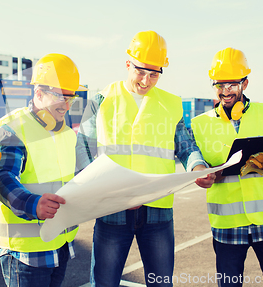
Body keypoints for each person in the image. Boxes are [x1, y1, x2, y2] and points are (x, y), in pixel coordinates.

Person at [76, 30, 214, 287]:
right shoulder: (102, 100)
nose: (146, 80)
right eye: (141, 71)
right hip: (113, 208)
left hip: (158, 211)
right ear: (128, 64)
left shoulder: (171, 104)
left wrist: (197, 165)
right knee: (104, 283)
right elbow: (83, 150)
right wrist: (104, 191)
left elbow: (185, 145)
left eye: (154, 74)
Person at [190, 47, 263, 287]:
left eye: (231, 85)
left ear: (245, 83)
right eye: (219, 85)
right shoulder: (200, 125)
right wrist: (203, 174)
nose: (225, 92)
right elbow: (197, 165)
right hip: (227, 229)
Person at [0, 53, 87, 287]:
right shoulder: (12, 128)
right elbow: (2, 178)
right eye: (60, 98)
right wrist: (34, 204)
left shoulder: (65, 132)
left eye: (70, 99)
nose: (65, 106)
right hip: (25, 252)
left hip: (60, 242)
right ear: (39, 93)